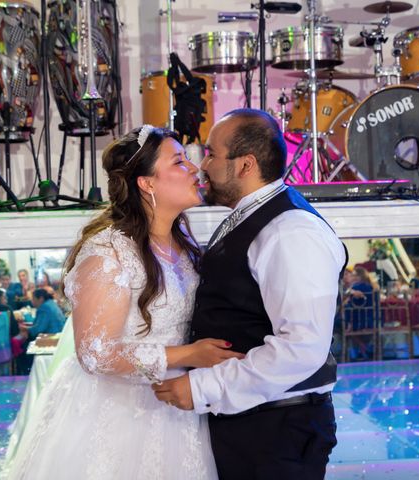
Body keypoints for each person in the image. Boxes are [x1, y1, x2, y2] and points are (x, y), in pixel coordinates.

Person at [1, 126, 243, 479]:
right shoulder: (109, 252)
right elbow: (95, 353)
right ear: (146, 183)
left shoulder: (183, 243)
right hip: (117, 412)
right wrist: (189, 355)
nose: (195, 169)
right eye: (179, 161)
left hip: (176, 407)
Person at [152, 109, 347, 480]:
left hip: (277, 430)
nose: (202, 166)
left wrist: (202, 387)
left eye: (211, 154)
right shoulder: (250, 216)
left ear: (245, 164)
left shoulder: (290, 231)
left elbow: (301, 348)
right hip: (253, 424)